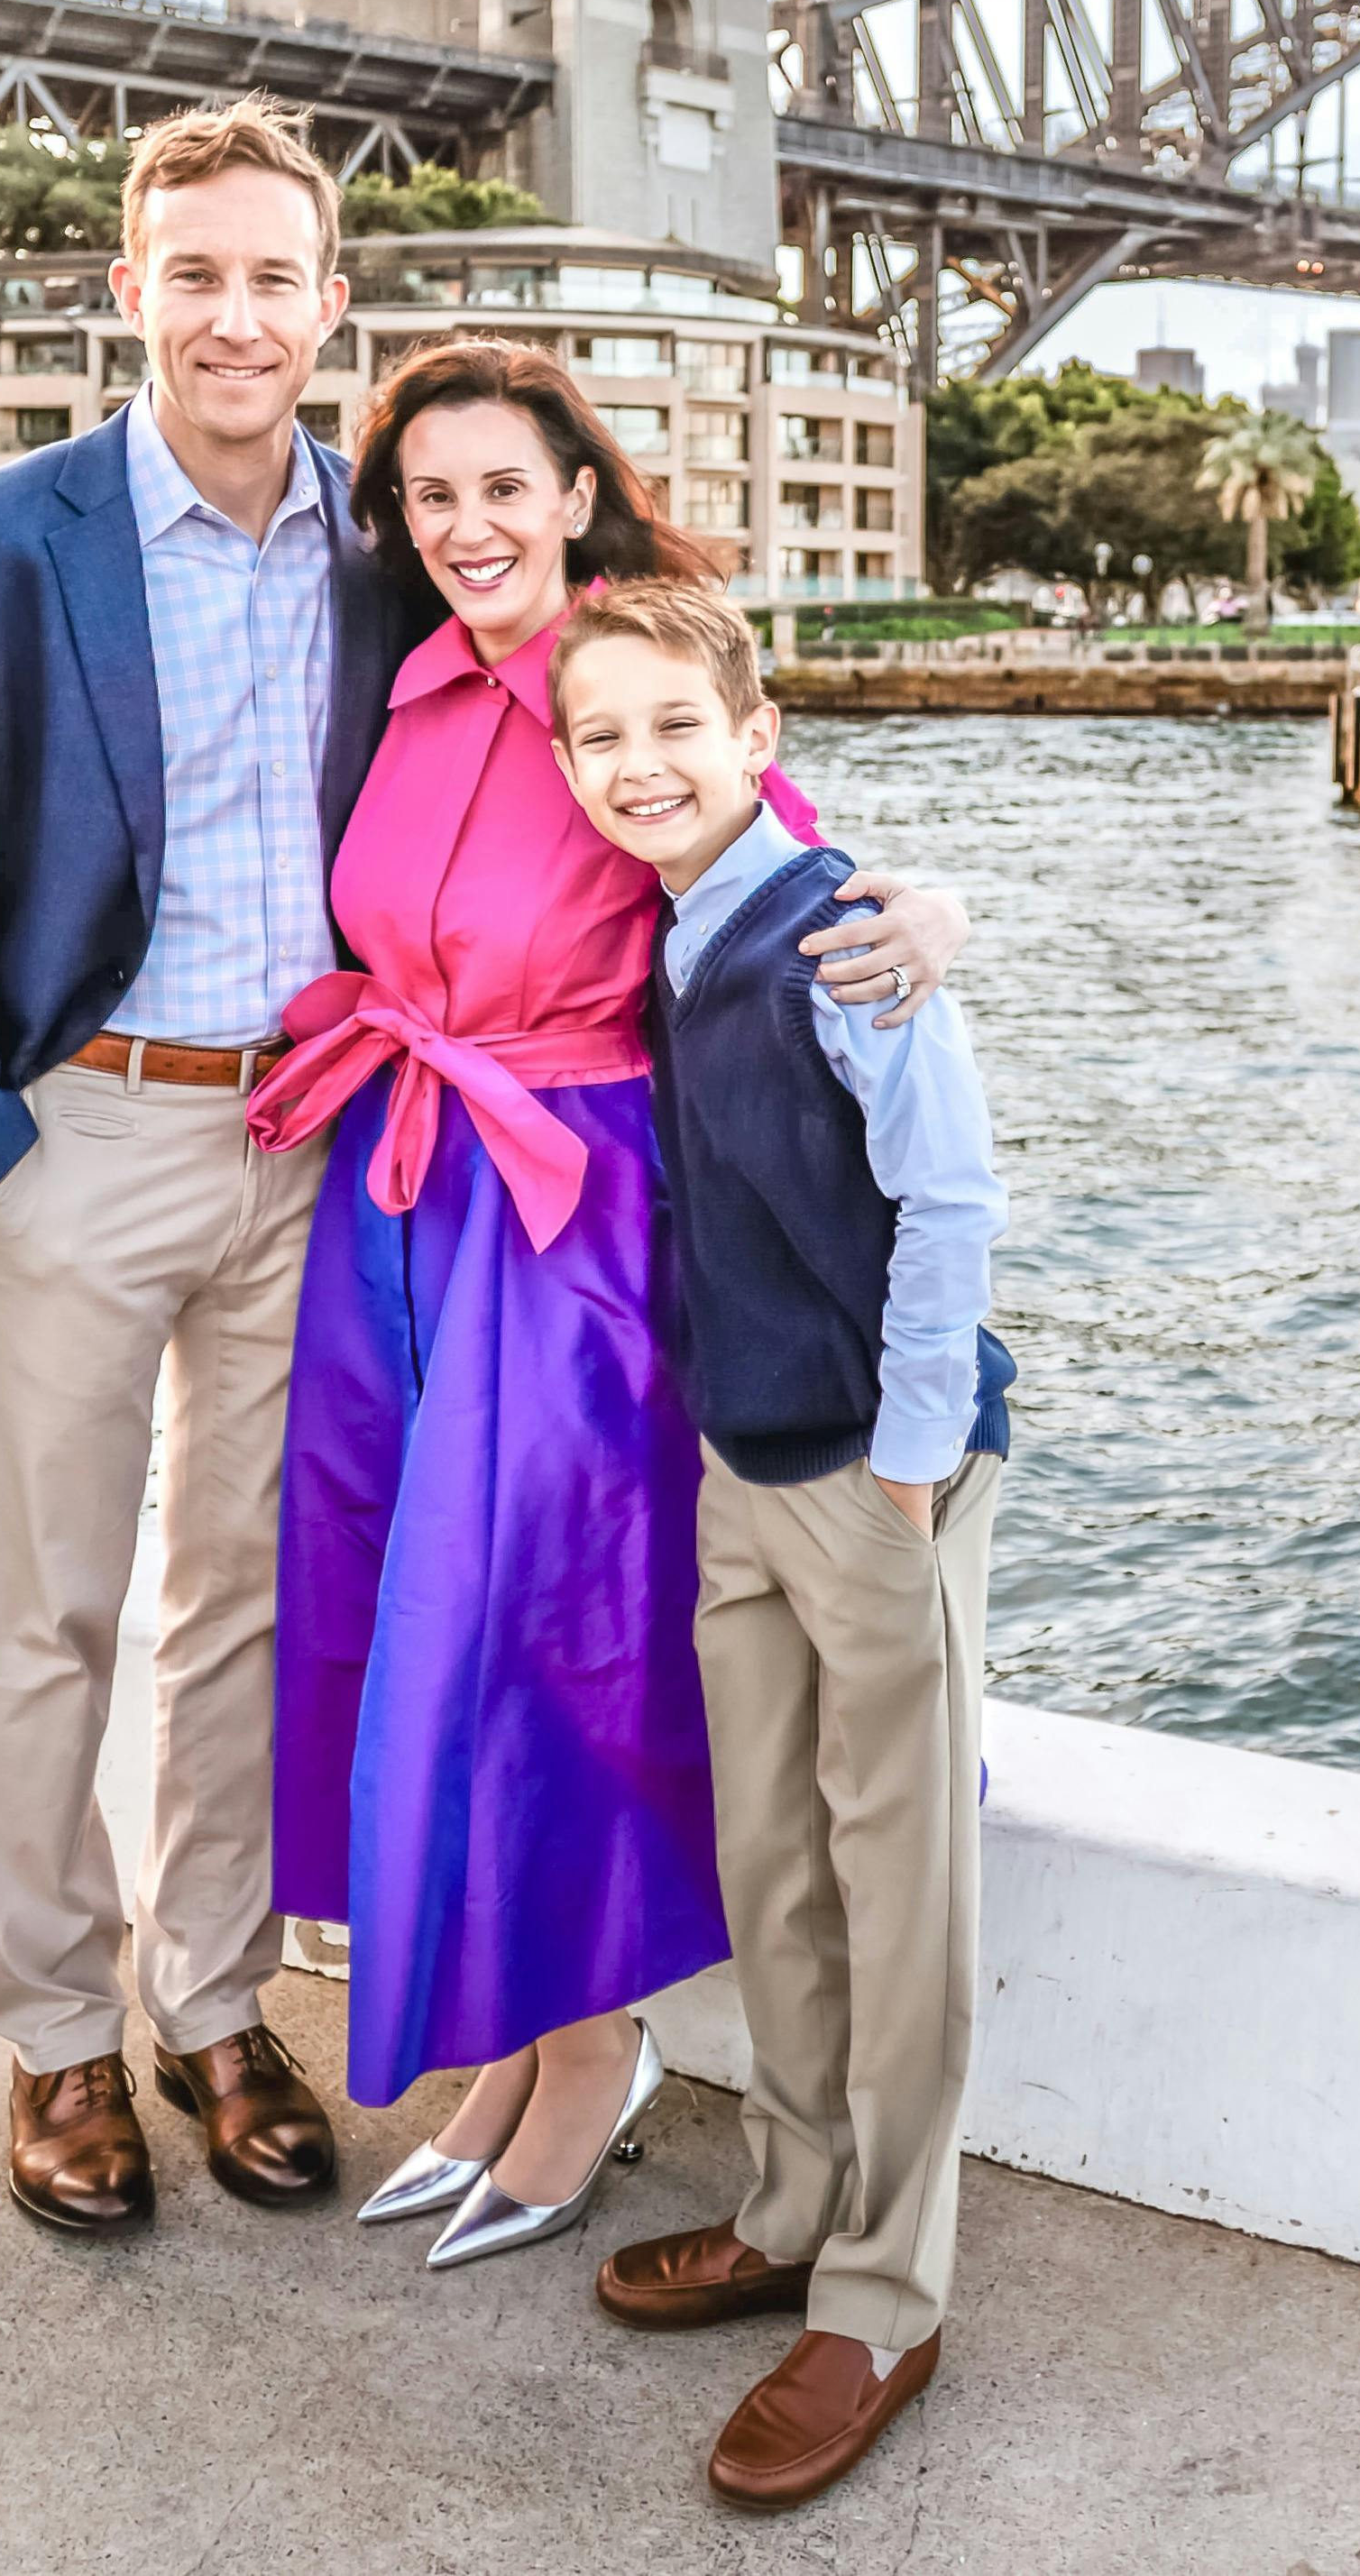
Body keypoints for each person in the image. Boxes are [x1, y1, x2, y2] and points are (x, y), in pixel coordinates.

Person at [0, 98, 958, 2238]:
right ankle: (58, 2040)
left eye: (274, 277)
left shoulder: (386, 573)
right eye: (195, 273)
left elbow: (683, 776)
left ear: (325, 306)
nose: (233, 315)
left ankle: (216, 2005)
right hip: (90, 1122)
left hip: (330, 1147)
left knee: (252, 1605)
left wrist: (920, 912)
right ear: (127, 287)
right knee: (37, 1609)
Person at [247, 341, 849, 2276]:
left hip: (570, 1207)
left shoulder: (615, 677)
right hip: (399, 1184)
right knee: (392, 1613)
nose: (468, 526)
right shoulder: (410, 686)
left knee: (542, 1634)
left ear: (575, 491)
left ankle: (591, 2048)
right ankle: (499, 2040)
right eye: (430, 496)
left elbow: (779, 866)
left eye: (504, 486)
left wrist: (919, 915)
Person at [547, 577, 1014, 2511]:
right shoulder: (680, 932)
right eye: (601, 735)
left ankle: (887, 2291)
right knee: (776, 1853)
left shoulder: (834, 937)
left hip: (870, 1473)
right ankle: (794, 2198)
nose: (639, 763)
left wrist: (904, 1468)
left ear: (756, 734)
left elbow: (949, 1193)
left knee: (898, 1888)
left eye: (676, 722)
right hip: (744, 1463)